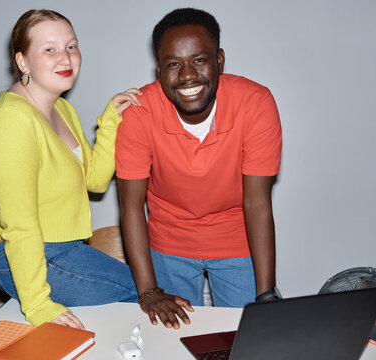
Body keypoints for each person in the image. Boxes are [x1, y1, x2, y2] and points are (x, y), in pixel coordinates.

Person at [116, 8, 282, 329]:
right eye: (174, 64)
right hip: (168, 241)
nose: (188, 75)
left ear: (219, 61)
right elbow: (132, 207)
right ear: (159, 69)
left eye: (199, 60)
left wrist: (265, 294)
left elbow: (257, 201)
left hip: (237, 238)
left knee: (252, 336)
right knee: (173, 341)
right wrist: (149, 291)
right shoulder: (138, 113)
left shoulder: (256, 103)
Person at [0, 9, 141, 329]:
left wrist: (109, 123)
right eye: (49, 49)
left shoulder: (63, 108)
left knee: (146, 289)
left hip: (63, 251)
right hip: (28, 255)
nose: (65, 58)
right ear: (23, 62)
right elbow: (19, 226)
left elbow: (94, 181)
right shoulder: (10, 121)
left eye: (71, 46)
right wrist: (38, 304)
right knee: (147, 290)